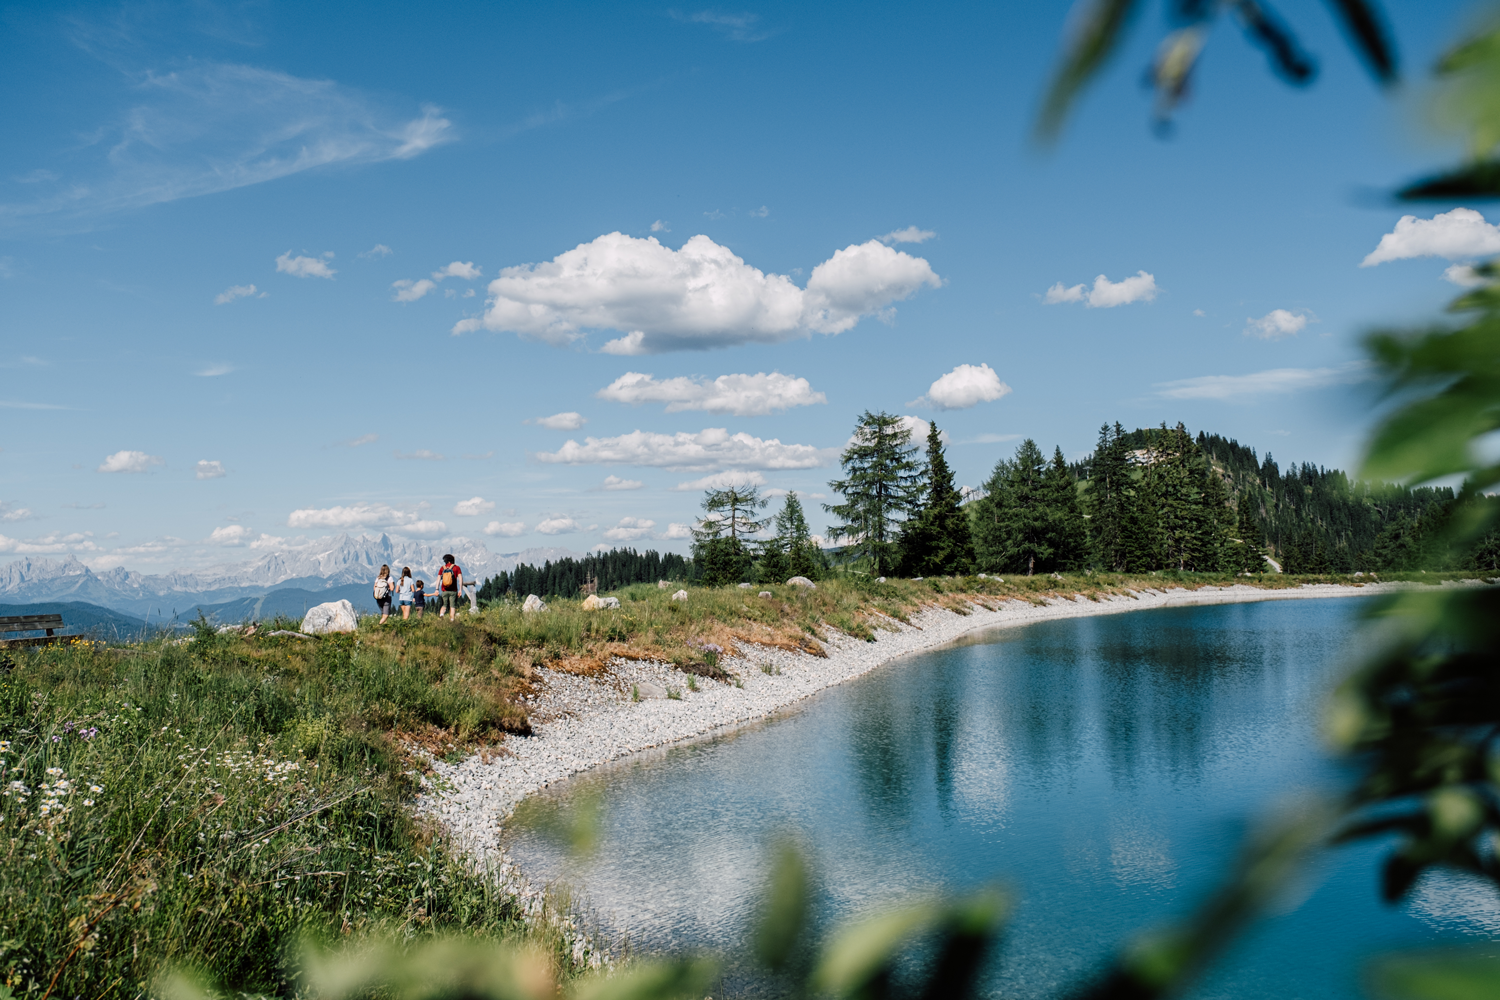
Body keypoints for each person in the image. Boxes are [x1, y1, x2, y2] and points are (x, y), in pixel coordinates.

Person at [435, 553, 464, 620]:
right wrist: (460, 590)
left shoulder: (442, 568)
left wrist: (437, 589)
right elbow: (460, 579)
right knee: (452, 606)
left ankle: (441, 615)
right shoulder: (457, 568)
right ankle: (452, 620)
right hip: (453, 591)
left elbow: (438, 579)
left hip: (444, 590)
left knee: (444, 605)